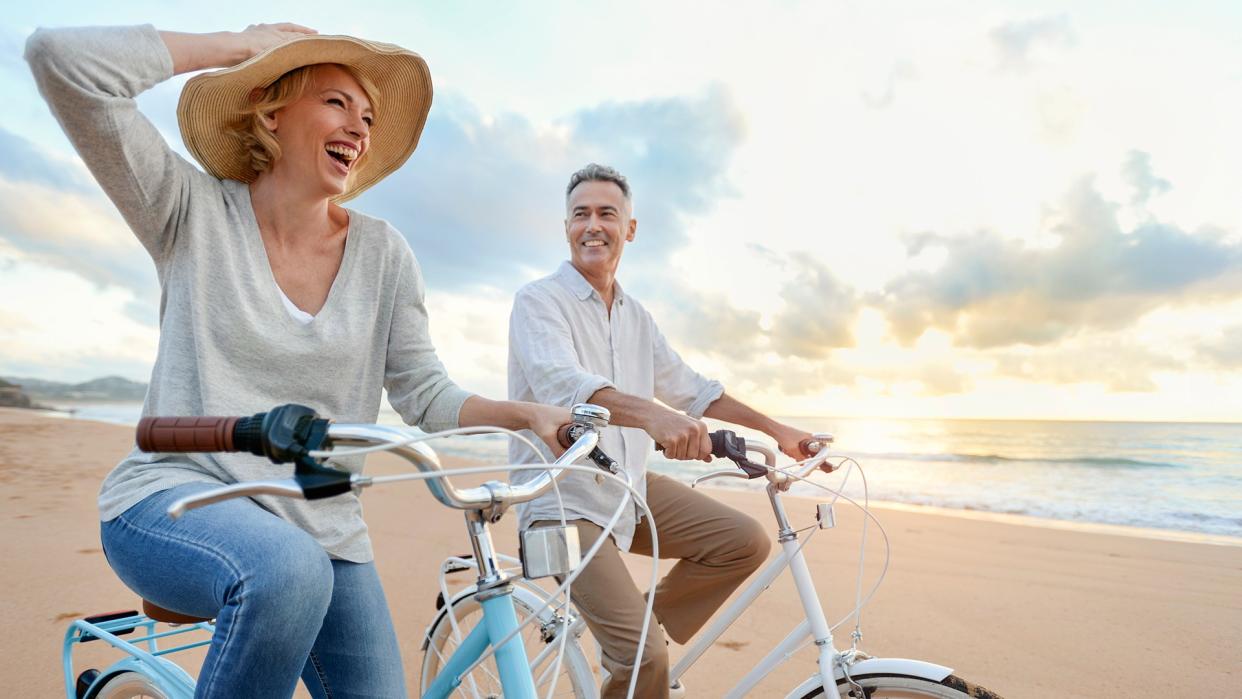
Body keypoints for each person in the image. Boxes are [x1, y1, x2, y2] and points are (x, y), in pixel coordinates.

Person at [27, 23, 567, 697]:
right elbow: (62, 61)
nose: (360, 128)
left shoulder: (384, 253)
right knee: (286, 569)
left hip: (327, 528)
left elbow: (425, 392)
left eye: (367, 116)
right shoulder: (190, 211)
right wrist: (233, 46)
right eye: (337, 102)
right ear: (272, 112)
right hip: (174, 496)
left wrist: (526, 414)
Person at [507, 163, 815, 698]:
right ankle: (636, 652)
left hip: (626, 487)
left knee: (743, 542)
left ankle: (630, 637)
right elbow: (566, 387)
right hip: (560, 500)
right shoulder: (539, 301)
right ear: (567, 227)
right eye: (581, 214)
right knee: (646, 659)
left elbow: (692, 391)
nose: (593, 225)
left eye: (607, 213)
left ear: (630, 228)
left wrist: (779, 430)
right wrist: (654, 417)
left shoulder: (636, 316)